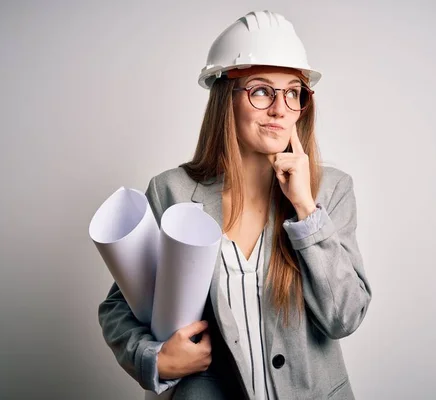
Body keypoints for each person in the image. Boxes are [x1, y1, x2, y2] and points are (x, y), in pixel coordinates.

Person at [98, 10, 371, 400]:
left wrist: (306, 211)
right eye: (261, 90)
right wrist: (154, 359)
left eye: (293, 92)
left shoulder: (330, 192)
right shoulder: (171, 192)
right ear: (226, 97)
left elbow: (344, 316)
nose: (280, 108)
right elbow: (119, 306)